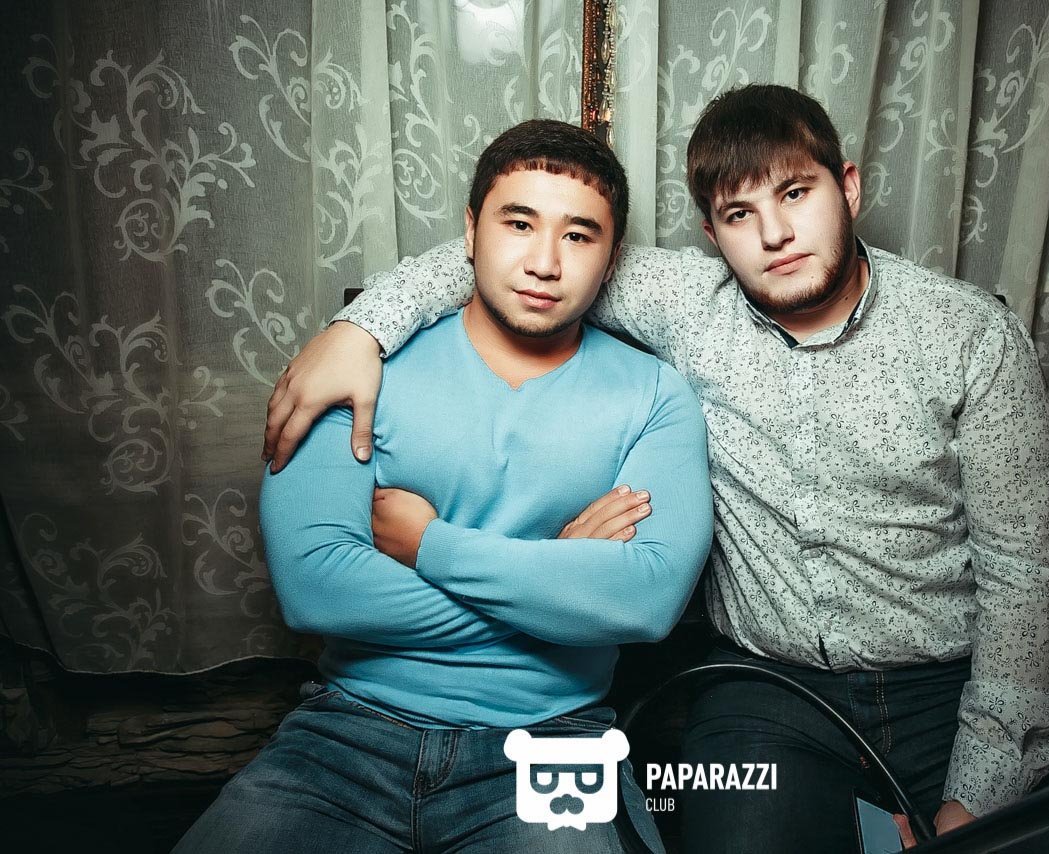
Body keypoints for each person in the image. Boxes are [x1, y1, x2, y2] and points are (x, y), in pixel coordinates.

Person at [263, 85, 1049, 852]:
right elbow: (514, 251)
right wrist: (359, 327)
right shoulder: (687, 302)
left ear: (849, 187)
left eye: (797, 194)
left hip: (951, 685)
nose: (774, 234)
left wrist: (974, 803)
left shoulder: (968, 335)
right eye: (739, 213)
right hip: (770, 691)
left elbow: (1029, 574)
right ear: (711, 235)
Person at [177, 119, 714, 854]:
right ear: (470, 231)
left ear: (611, 257)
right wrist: (560, 585)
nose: (545, 262)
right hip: (348, 732)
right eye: (518, 224)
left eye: (578, 235)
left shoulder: (655, 396)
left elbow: (645, 601)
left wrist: (429, 544)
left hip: (553, 742)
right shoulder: (359, 369)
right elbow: (315, 588)